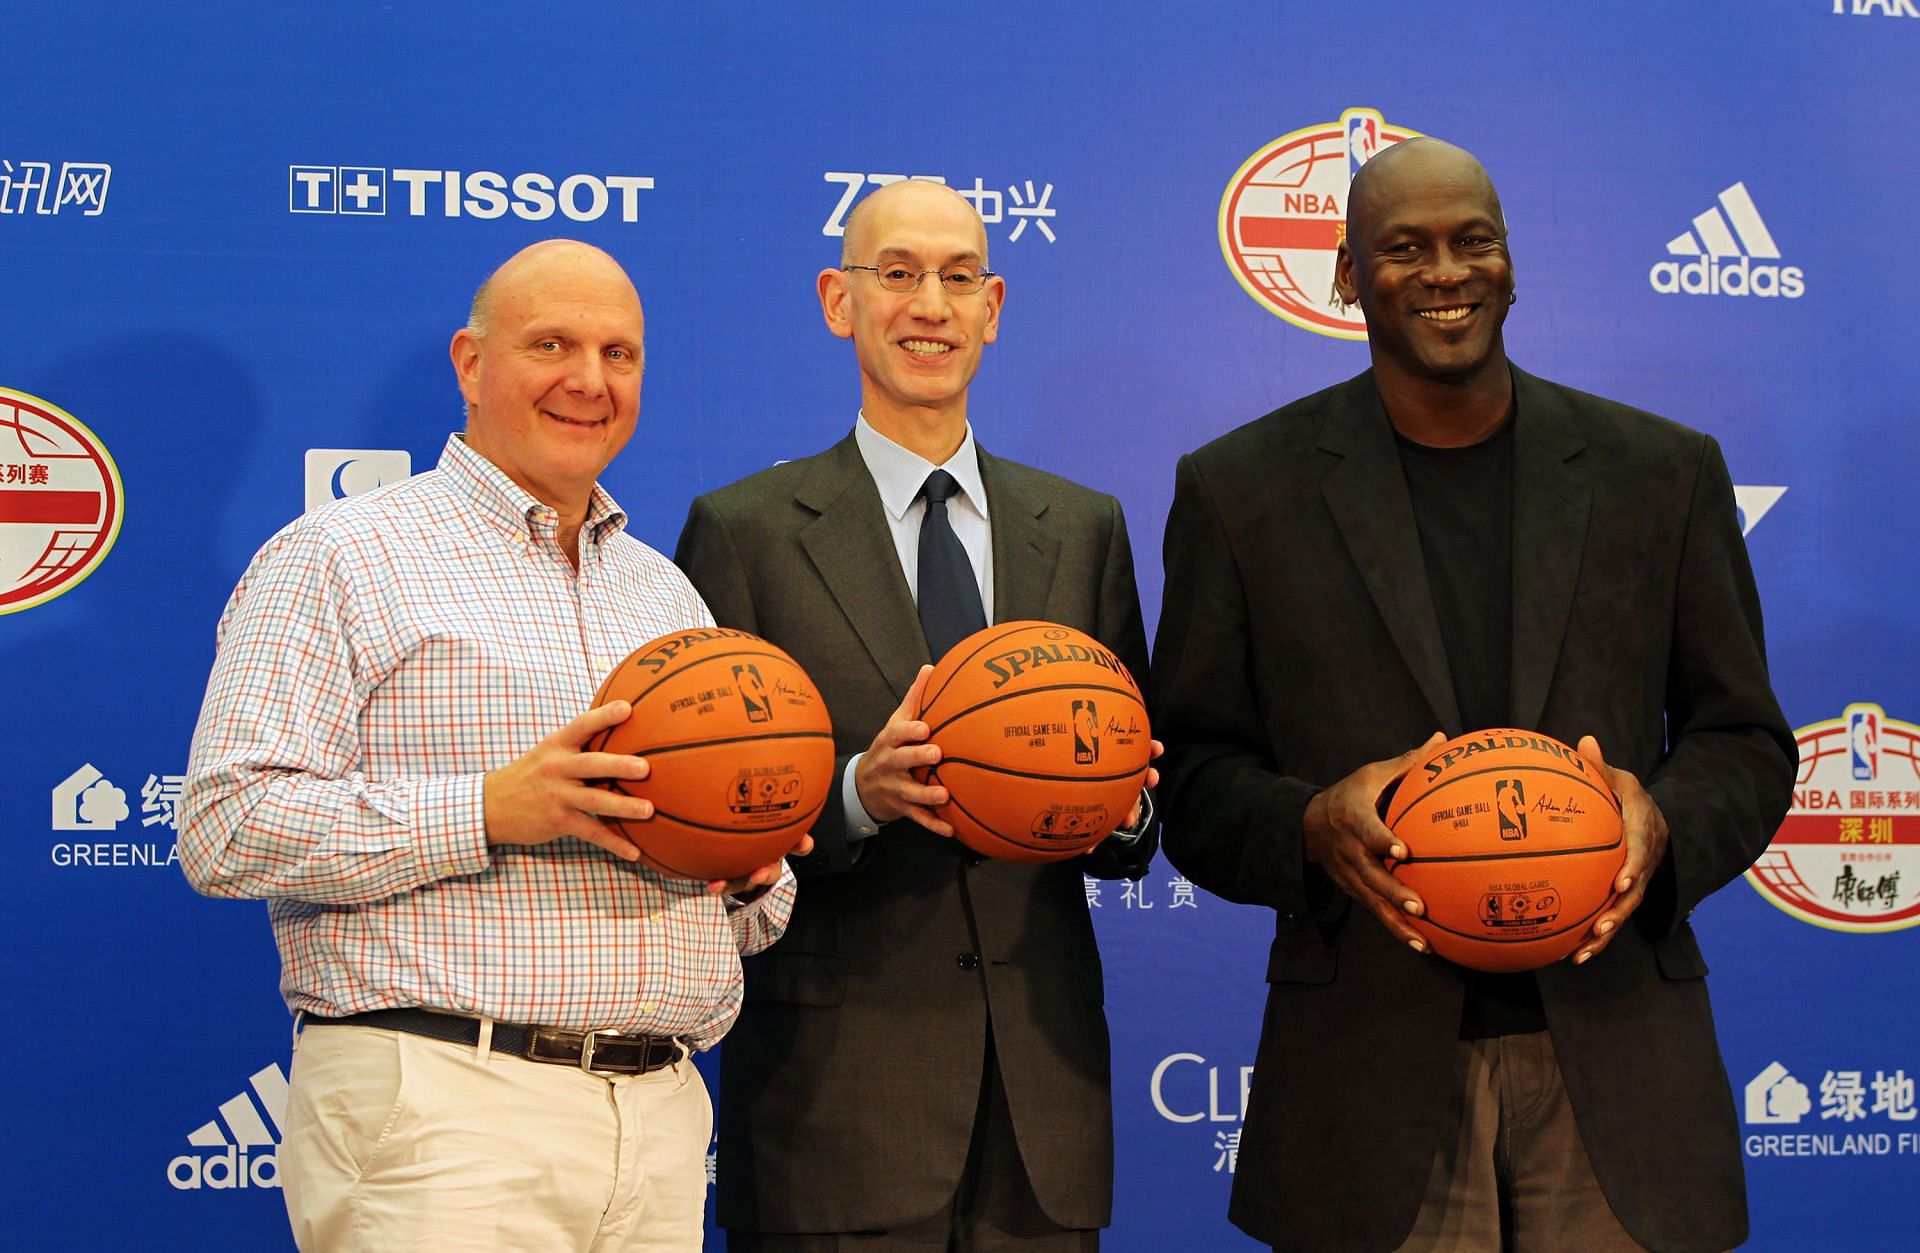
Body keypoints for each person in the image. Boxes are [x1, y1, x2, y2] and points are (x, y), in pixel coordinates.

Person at [1152, 139, 1795, 1253]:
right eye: (1404, 248)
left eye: (1472, 240)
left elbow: (1745, 737)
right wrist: (1308, 822)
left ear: (1510, 263)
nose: (1445, 270)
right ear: (1349, 276)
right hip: (1369, 1070)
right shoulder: (1240, 492)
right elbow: (1194, 776)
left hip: (1617, 1057)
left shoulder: (1663, 473)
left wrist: (1662, 817)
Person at [179, 239, 804, 1251]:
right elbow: (224, 824)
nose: (589, 380)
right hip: (444, 1108)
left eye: (620, 353)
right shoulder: (341, 555)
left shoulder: (665, 593)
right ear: (471, 363)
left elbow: (755, 915)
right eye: (551, 343)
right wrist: (486, 808)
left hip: (660, 1114)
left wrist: (745, 868)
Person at [676, 178, 1158, 1251]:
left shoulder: (1083, 527)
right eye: (896, 274)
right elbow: (708, 824)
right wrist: (855, 793)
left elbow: (1134, 825)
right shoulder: (744, 531)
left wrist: (1122, 804)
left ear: (993, 306)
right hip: (835, 1109)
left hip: (1044, 1105)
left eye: (955, 277)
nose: (927, 304)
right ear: (838, 300)